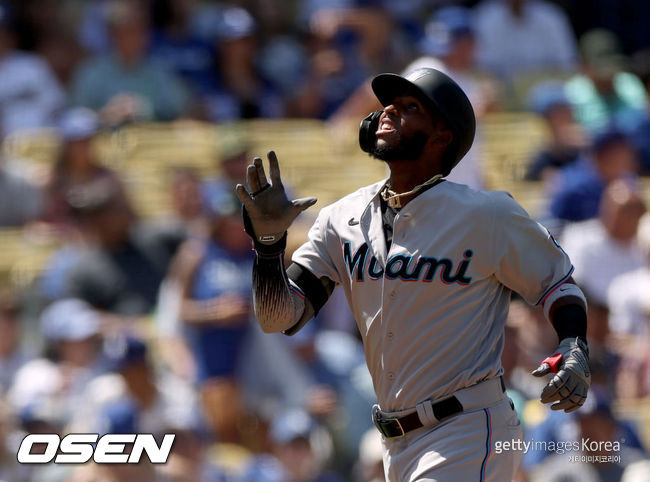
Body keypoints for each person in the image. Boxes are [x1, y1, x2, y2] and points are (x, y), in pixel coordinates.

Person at [235, 67, 591, 481]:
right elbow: (280, 317)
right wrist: (268, 247)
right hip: (394, 441)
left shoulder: (487, 214)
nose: (387, 112)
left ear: (442, 135)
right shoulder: (341, 219)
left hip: (468, 427)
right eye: (387, 105)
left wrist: (573, 343)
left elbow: (557, 283)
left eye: (409, 107)